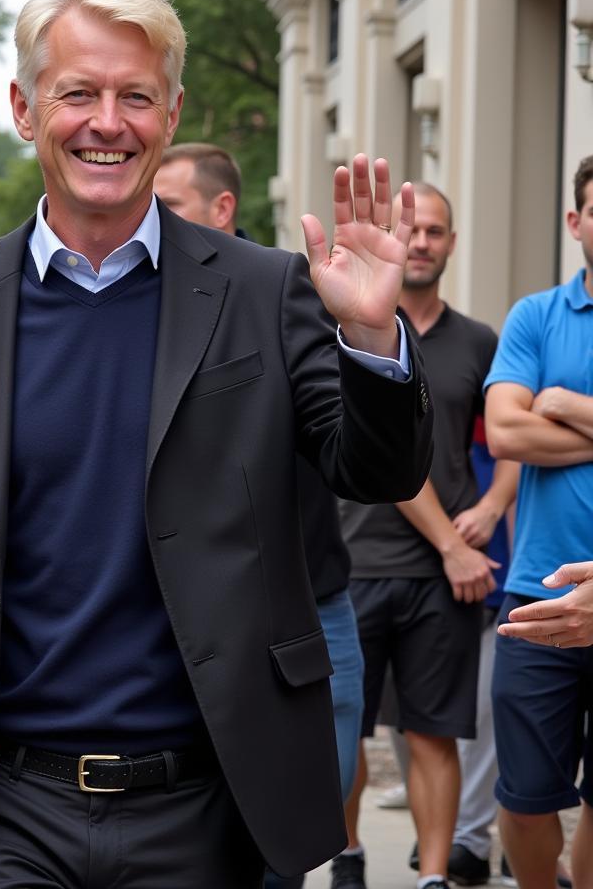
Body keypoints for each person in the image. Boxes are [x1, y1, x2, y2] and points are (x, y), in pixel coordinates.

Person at [0, 0, 433, 889]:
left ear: (171, 113)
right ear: (25, 107)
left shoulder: (263, 290)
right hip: (1, 806)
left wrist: (367, 334)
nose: (107, 123)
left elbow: (378, 471)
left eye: (137, 96)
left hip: (206, 807)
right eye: (78, 92)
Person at [155, 142, 366, 889]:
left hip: (313, 607)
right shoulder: (140, 296)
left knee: (291, 829)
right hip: (201, 621)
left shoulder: (286, 289)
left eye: (171, 203)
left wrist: (372, 339)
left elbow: (361, 454)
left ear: (222, 209)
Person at [338, 184, 517, 889]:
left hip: (445, 578)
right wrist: (453, 539)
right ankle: (348, 855)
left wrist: (495, 503)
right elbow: (382, 458)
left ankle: (434, 878)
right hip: (354, 558)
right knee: (344, 731)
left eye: (435, 232)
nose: (421, 242)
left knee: (434, 733)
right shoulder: (351, 327)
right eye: (411, 229)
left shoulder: (478, 341)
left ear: (450, 243)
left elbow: (504, 436)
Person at [485, 154, 593, 889]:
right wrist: (535, 413)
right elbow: (505, 435)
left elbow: (534, 421)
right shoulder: (536, 316)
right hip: (538, 593)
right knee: (524, 799)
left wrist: (566, 404)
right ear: (576, 220)